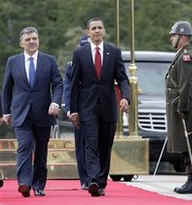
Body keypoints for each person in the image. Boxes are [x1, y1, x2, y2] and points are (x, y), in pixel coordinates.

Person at [70, 17, 130, 197]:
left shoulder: (114, 52)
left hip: (108, 106)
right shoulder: (80, 53)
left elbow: (122, 78)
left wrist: (125, 97)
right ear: (88, 32)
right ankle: (93, 180)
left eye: (100, 28)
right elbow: (74, 83)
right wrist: (73, 110)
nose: (97, 31)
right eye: (93, 28)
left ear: (104, 31)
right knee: (91, 144)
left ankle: (101, 182)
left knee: (105, 145)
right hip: (87, 107)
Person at [2, 26, 63, 197]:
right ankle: (24, 183)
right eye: (28, 39)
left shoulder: (49, 60)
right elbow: (6, 88)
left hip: (44, 113)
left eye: (34, 38)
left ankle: (38, 185)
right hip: (20, 113)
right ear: (22, 43)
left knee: (41, 150)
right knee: (25, 145)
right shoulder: (13, 61)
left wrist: (56, 102)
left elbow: (58, 84)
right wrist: (5, 111)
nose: (32, 42)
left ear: (38, 40)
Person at [165, 21, 192, 194]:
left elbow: (186, 84)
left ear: (182, 37)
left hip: (184, 104)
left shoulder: (185, 56)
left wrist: (182, 105)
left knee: (190, 142)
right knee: (184, 142)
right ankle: (190, 178)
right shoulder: (180, 55)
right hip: (180, 103)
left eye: (174, 35)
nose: (171, 38)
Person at [63, 34, 89, 190]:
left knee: (95, 144)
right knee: (81, 145)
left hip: (96, 109)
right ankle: (85, 179)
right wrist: (68, 107)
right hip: (79, 109)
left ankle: (95, 176)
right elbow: (68, 86)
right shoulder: (72, 65)